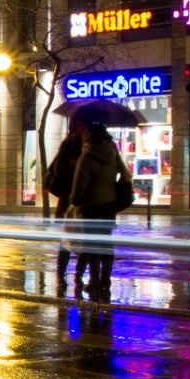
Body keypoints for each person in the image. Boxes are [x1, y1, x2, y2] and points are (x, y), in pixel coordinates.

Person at [66, 109, 133, 294]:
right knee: (106, 243)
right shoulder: (112, 151)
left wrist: (74, 202)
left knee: (93, 246)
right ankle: (106, 279)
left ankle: (94, 281)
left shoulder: (87, 156)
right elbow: (125, 173)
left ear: (89, 136)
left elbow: (79, 186)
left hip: (91, 207)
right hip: (109, 204)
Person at [45, 118, 85, 287]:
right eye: (79, 124)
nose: (82, 127)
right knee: (67, 241)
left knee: (85, 242)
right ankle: (61, 275)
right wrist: (74, 165)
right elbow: (58, 169)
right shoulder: (68, 145)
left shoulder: (90, 145)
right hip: (69, 200)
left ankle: (79, 275)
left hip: (85, 201)